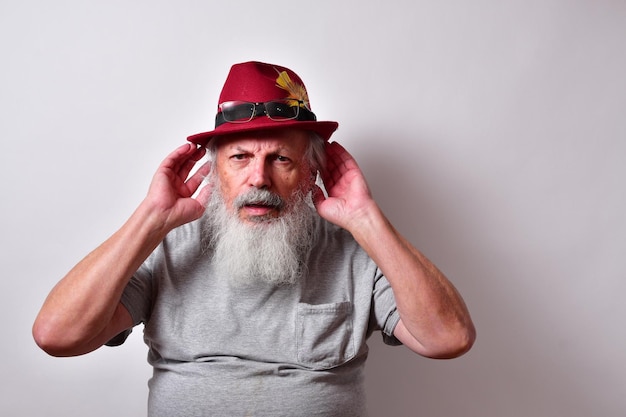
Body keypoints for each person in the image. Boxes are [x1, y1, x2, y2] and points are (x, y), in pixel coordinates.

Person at [33, 61, 475, 416]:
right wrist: (150, 218)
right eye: (240, 157)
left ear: (311, 172)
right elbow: (58, 336)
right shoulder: (165, 244)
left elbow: (448, 340)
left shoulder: (358, 248)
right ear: (214, 170)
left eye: (281, 158)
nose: (258, 178)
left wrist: (367, 219)